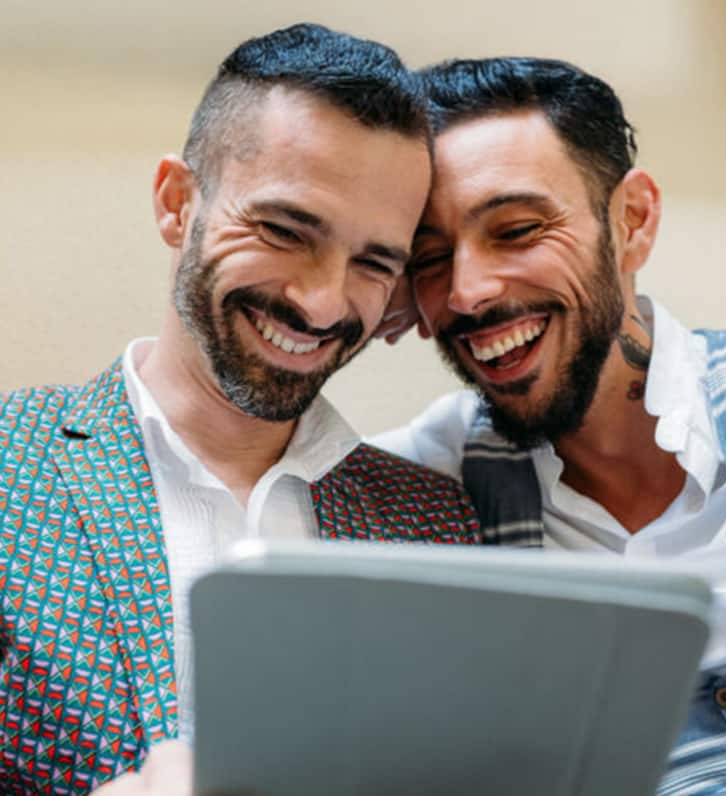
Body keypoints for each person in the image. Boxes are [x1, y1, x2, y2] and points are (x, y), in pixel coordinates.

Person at [0, 26, 480, 795]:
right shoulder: (10, 465)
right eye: (285, 231)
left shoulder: (435, 527)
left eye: (373, 263)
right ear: (176, 202)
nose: (322, 302)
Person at [375, 57, 726, 795]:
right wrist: (354, 292)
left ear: (632, 221)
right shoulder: (429, 487)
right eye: (430, 258)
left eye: (517, 230)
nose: (468, 294)